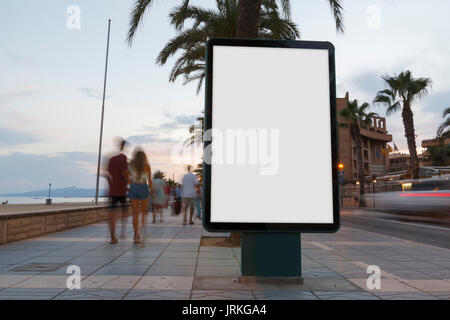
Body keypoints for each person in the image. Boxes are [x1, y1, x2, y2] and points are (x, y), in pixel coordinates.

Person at [106, 138, 129, 244]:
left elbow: (107, 175)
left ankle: (112, 237)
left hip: (112, 191)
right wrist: (129, 183)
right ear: (124, 147)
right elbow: (124, 173)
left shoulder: (111, 159)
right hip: (121, 191)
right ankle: (123, 232)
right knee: (124, 212)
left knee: (112, 214)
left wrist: (111, 185)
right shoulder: (123, 158)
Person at [129, 147, 152, 244]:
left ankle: (135, 235)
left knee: (135, 214)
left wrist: (132, 184)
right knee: (143, 212)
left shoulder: (131, 165)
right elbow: (149, 181)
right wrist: (151, 188)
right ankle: (141, 231)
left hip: (134, 187)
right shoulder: (147, 166)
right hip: (143, 187)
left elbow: (128, 178)